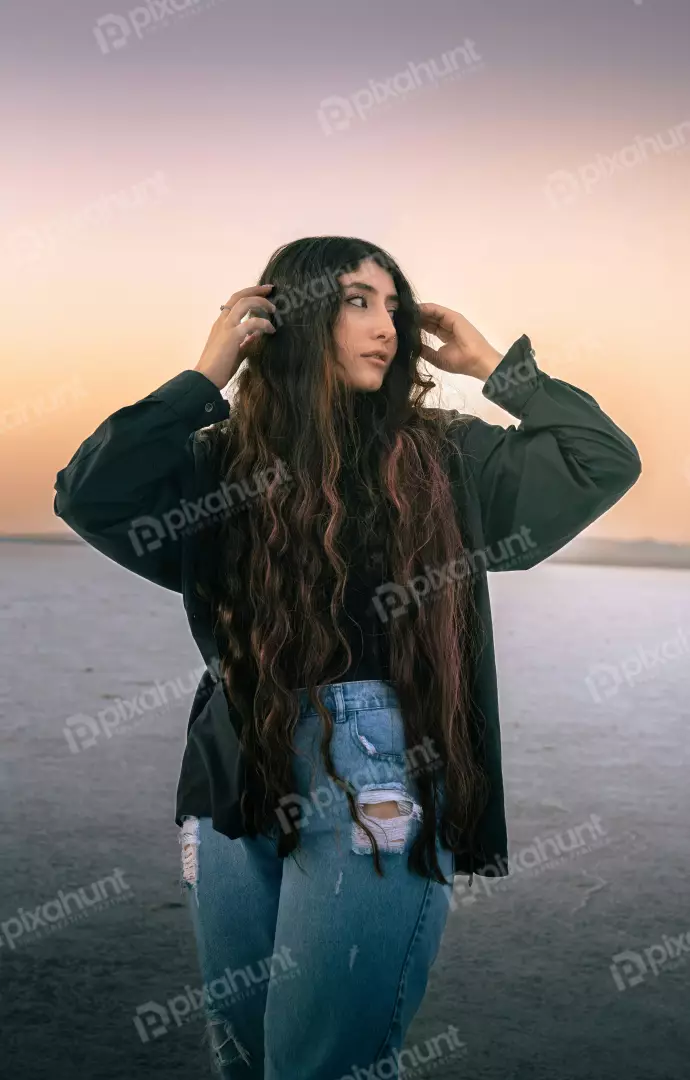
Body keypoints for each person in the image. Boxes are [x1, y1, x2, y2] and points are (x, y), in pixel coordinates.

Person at [54, 236, 641, 1079]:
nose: (387, 328)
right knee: (249, 1062)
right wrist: (205, 375)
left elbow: (602, 459)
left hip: (380, 773)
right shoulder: (218, 463)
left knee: (320, 1068)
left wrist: (497, 367)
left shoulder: (444, 456)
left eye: (394, 307)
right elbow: (91, 493)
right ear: (291, 320)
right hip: (229, 774)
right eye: (357, 302)